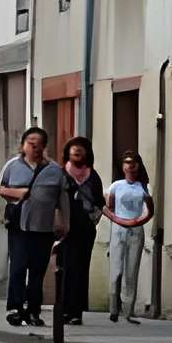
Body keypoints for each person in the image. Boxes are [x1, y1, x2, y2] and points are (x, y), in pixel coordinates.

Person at [0, 126, 61, 326]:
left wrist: (62, 222)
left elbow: (62, 197)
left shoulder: (54, 169)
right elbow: (2, 189)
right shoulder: (12, 166)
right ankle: (15, 308)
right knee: (18, 267)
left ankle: (33, 310)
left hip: (43, 227)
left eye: (38, 144)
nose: (34, 147)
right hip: (19, 225)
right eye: (30, 143)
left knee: (37, 270)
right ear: (23, 145)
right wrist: (19, 193)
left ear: (44, 146)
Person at [54, 135, 103, 326]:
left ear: (87, 154)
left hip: (85, 230)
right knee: (64, 267)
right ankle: (64, 309)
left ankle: (76, 312)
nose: (77, 151)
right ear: (68, 152)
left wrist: (92, 220)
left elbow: (100, 202)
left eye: (81, 149)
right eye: (74, 148)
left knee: (81, 269)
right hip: (65, 228)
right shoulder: (61, 173)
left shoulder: (93, 175)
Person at [103, 153, 154, 323]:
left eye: (134, 163)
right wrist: (117, 219)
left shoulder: (143, 187)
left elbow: (149, 209)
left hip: (136, 229)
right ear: (123, 166)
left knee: (131, 271)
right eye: (127, 163)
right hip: (118, 228)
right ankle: (113, 308)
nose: (130, 166)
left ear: (139, 166)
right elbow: (108, 206)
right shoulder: (116, 185)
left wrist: (139, 220)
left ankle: (129, 309)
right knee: (116, 269)